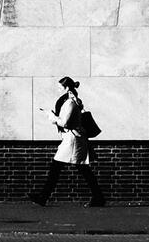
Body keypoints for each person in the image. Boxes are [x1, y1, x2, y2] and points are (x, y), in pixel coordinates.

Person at [29, 76, 106, 208]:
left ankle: (43, 197)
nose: (58, 89)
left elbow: (65, 123)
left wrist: (51, 116)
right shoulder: (73, 101)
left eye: (60, 87)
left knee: (59, 168)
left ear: (66, 88)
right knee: (81, 169)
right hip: (73, 139)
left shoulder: (70, 102)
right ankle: (98, 197)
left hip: (72, 140)